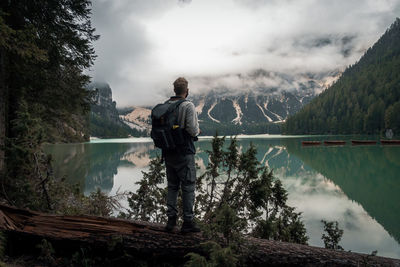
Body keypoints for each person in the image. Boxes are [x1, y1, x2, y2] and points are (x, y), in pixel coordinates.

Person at [164, 77, 201, 233]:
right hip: (184, 153)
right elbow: (192, 130)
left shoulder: (165, 106)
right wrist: (198, 131)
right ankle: (188, 222)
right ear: (187, 91)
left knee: (172, 186)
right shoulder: (187, 105)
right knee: (188, 187)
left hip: (168, 153)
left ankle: (171, 221)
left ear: (174, 90)